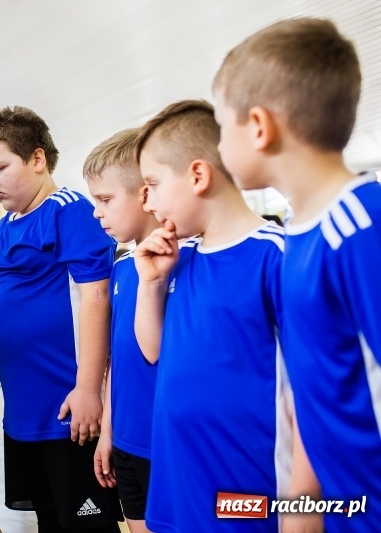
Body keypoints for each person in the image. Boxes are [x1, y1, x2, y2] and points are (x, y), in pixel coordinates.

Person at [213, 17, 380, 531]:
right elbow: (313, 386)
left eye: (222, 127)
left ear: (260, 127)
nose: (218, 146)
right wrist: (300, 503)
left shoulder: (361, 225)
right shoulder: (297, 236)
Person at [132, 99, 314, 532]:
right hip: (181, 482)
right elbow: (154, 350)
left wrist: (300, 514)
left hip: (247, 494)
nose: (148, 201)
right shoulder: (180, 257)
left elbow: (313, 396)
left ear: (198, 175)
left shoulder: (277, 257)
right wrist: (152, 284)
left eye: (153, 183)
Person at [0, 106, 122, 532]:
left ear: (38, 160)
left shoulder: (69, 211)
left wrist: (87, 388)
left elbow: (95, 296)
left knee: (85, 523)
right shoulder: (3, 226)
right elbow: (5, 302)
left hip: (68, 406)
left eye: (1, 166)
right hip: (24, 412)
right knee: (50, 521)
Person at [83, 128, 162, 533]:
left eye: (105, 200)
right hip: (127, 439)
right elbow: (118, 359)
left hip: (166, 442)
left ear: (146, 194)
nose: (98, 212)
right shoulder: (122, 267)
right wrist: (109, 431)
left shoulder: (184, 262)